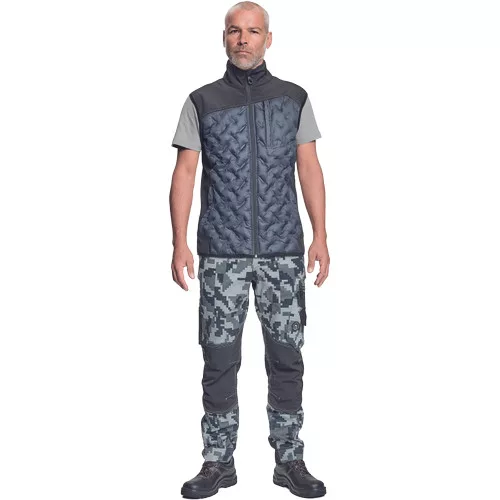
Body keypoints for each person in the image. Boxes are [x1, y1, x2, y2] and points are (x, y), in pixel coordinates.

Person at [170, 2, 329, 498]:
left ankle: (289, 459)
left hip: (283, 254)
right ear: (224, 38)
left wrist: (321, 235)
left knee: (286, 358)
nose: (243, 39)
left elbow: (309, 168)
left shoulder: (294, 98)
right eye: (234, 31)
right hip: (222, 254)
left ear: (268, 39)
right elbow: (185, 173)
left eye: (253, 31)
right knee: (219, 360)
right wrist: (179, 242)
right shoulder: (201, 101)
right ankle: (218, 462)